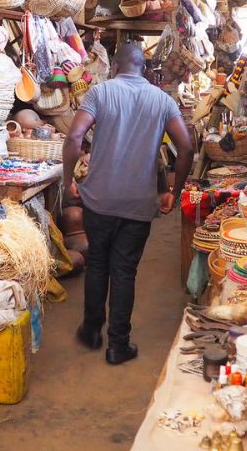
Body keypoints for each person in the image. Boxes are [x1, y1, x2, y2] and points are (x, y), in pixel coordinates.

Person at [62, 43, 194, 365]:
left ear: (116, 66)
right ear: (144, 69)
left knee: (97, 265)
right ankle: (118, 345)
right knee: (124, 271)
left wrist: (69, 180)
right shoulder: (162, 100)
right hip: (138, 204)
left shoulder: (100, 93)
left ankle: (92, 331)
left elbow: (74, 137)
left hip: (98, 199)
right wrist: (174, 192)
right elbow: (187, 147)